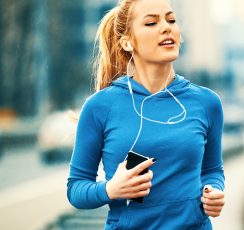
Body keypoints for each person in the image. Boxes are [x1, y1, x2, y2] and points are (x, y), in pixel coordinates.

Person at [66, 0, 225, 229]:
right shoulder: (100, 106)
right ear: (128, 42)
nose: (166, 27)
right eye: (151, 22)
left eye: (171, 20)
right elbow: (76, 189)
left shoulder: (207, 102)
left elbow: (212, 170)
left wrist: (213, 191)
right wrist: (110, 189)